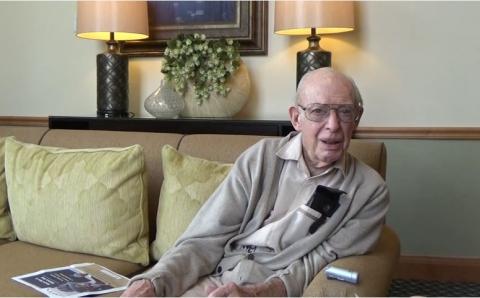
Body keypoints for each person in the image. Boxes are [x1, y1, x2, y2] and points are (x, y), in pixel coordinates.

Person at [121, 67, 389, 297]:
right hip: (220, 274)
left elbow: (317, 261)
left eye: (344, 112)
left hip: (274, 288)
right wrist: (154, 282)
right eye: (318, 111)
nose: (333, 125)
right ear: (296, 118)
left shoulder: (369, 191)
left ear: (357, 118)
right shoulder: (261, 158)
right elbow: (207, 237)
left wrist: (261, 292)